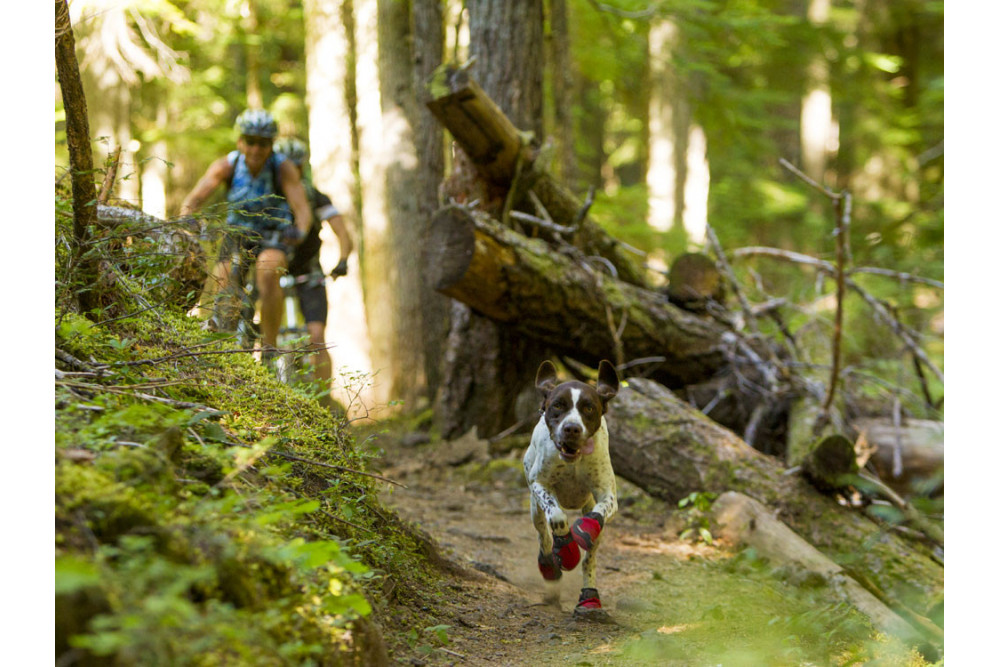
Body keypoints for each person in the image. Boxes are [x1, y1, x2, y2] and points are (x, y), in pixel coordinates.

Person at [180, 109, 313, 359]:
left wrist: (300, 230)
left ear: (272, 144)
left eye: (263, 143)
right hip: (237, 232)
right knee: (222, 278)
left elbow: (302, 208)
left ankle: (269, 349)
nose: (256, 149)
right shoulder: (226, 166)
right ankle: (222, 342)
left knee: (267, 270)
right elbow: (195, 198)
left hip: (273, 234)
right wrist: (187, 220)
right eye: (250, 141)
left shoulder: (282, 167)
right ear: (241, 141)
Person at [272, 136, 354, 400]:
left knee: (316, 337)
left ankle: (324, 401)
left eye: (295, 165)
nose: (290, 170)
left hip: (309, 273)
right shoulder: (266, 197)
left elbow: (342, 232)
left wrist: (342, 260)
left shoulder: (316, 197)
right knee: (265, 336)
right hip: (273, 273)